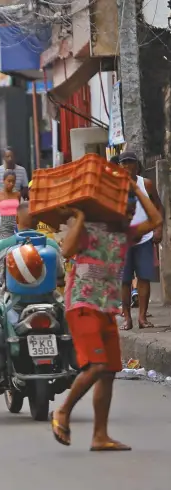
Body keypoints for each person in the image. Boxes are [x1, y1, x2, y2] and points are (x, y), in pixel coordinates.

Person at [50, 181, 162, 451]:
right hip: (82, 305)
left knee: (110, 371)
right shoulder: (89, 229)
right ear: (111, 209)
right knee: (98, 366)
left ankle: (100, 436)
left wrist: (136, 191)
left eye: (132, 209)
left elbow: (156, 219)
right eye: (126, 207)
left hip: (106, 309)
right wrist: (79, 216)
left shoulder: (126, 234)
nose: (130, 212)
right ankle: (63, 412)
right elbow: (65, 251)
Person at [0, 201, 64, 394]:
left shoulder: (4, 246)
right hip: (50, 303)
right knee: (69, 319)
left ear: (15, 220)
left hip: (14, 305)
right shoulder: (52, 246)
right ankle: (68, 366)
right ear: (38, 221)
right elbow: (61, 276)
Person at [117, 151, 163, 330]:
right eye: (124, 163)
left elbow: (159, 206)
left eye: (131, 163)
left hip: (145, 237)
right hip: (123, 240)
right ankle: (127, 318)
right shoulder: (113, 186)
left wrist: (158, 228)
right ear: (119, 166)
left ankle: (142, 318)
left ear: (137, 165)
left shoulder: (146, 184)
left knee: (144, 278)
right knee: (125, 280)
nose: (127, 166)